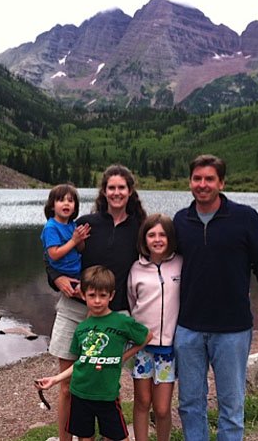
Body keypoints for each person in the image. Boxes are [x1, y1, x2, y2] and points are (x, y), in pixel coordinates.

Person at [173, 154, 258, 441]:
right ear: (190, 182)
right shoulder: (181, 220)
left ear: (221, 182)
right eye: (197, 178)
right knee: (189, 405)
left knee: (231, 407)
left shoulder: (245, 217)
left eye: (209, 179)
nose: (202, 184)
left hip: (233, 329)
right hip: (188, 328)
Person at [46, 164, 147, 441]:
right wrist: (56, 279)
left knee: (106, 383)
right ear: (104, 191)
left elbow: (160, 255)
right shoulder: (86, 224)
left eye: (121, 188)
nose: (116, 192)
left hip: (112, 314)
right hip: (75, 309)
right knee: (67, 385)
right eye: (111, 187)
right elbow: (56, 257)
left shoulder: (139, 227)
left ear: (129, 191)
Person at [36, 266, 152, 441]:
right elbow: (81, 362)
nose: (97, 301)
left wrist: (125, 356)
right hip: (81, 396)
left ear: (111, 296)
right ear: (83, 295)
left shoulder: (122, 322)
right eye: (92, 295)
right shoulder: (82, 328)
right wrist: (54, 379)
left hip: (108, 397)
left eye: (103, 296)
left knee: (119, 436)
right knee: (84, 437)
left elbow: (146, 336)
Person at [127, 213, 182, 441]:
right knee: (142, 401)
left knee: (161, 407)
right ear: (144, 238)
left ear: (170, 237)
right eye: (151, 235)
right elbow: (132, 302)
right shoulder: (136, 268)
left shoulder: (180, 263)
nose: (157, 239)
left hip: (168, 348)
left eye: (162, 234)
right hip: (141, 347)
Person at [41, 183, 91, 293]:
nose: (66, 204)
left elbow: (80, 249)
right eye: (61, 200)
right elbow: (54, 255)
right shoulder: (51, 228)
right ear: (52, 206)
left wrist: (80, 239)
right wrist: (73, 241)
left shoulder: (72, 225)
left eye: (70, 201)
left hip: (77, 271)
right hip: (64, 274)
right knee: (86, 294)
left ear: (75, 208)